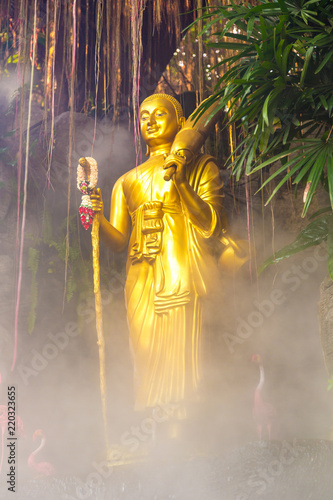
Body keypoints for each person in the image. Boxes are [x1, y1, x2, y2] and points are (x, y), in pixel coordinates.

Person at [91, 93, 226, 415]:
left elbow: (212, 225)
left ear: (181, 123)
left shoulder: (201, 166)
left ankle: (187, 426)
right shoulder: (126, 181)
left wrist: (180, 182)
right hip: (141, 277)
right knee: (147, 352)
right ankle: (155, 433)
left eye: (159, 114)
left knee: (184, 351)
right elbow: (118, 240)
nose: (149, 121)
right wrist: (96, 218)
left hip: (183, 266)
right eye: (143, 116)